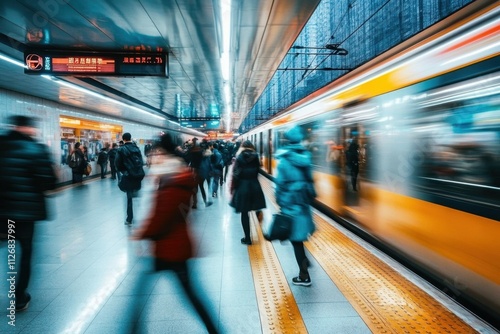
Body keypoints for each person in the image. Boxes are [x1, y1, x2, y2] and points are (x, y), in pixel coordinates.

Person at [131, 133, 218, 334]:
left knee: (190, 295)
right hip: (171, 245)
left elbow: (162, 214)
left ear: (163, 152)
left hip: (170, 247)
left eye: (156, 152)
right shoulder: (174, 174)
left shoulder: (172, 178)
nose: (153, 156)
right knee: (191, 295)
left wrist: (141, 233)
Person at [0, 115, 57, 311]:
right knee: (24, 253)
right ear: (29, 129)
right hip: (25, 214)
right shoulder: (37, 149)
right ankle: (19, 297)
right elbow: (49, 183)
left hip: (2, 212)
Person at [275, 126, 316, 286]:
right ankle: (305, 261)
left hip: (290, 203)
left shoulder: (284, 161)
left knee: (295, 240)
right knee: (300, 236)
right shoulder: (306, 156)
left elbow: (279, 185)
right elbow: (310, 180)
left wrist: (280, 202)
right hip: (303, 203)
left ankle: (304, 275)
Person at [229, 140, 266, 245]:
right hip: (255, 185)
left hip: (243, 187)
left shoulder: (239, 157)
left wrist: (234, 187)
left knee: (244, 213)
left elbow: (236, 175)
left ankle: (247, 238)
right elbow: (258, 170)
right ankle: (262, 225)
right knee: (256, 207)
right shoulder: (256, 156)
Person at [115, 132, 144, 225]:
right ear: (130, 138)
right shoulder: (137, 148)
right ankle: (138, 213)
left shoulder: (121, 149)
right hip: (137, 176)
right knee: (134, 193)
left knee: (129, 197)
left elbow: (117, 164)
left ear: (123, 139)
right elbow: (141, 161)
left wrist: (124, 172)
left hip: (128, 176)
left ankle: (129, 218)